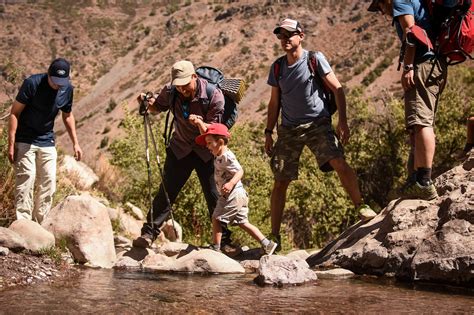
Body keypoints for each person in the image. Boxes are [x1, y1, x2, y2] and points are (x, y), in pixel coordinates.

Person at [264, 18, 377, 250]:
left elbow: (338, 89)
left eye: (289, 34)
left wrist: (342, 121)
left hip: (318, 123)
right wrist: (268, 132)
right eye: (281, 35)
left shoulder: (314, 59)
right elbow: (274, 102)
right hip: (289, 129)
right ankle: (274, 237)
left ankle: (361, 206)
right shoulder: (277, 67)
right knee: (280, 181)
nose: (285, 39)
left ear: (300, 36)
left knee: (338, 162)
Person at [132, 60, 233, 250]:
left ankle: (224, 241)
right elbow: (157, 107)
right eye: (178, 85)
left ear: (194, 77)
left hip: (207, 152)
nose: (182, 89)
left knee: (214, 195)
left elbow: (215, 133)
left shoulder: (214, 96)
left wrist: (200, 124)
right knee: (167, 190)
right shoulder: (171, 92)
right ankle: (149, 233)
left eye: (185, 84)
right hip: (181, 148)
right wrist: (146, 103)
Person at [368, 0, 448, 200]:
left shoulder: (399, 1)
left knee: (421, 122)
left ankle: (423, 182)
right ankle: (415, 178)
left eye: (379, 6)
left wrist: (408, 67)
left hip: (422, 64)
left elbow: (411, 32)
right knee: (416, 124)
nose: (381, 12)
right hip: (433, 64)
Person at [7, 58, 82, 223]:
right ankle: (24, 224)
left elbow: (67, 115)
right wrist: (11, 144)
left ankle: (40, 225)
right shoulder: (32, 83)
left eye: (61, 82)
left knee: (48, 181)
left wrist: (75, 142)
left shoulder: (67, 89)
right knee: (27, 178)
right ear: (48, 74)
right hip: (25, 137)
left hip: (46, 139)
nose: (58, 85)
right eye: (55, 81)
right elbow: (14, 113)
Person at [190, 120, 278, 255]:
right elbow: (208, 136)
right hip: (236, 195)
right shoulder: (218, 153)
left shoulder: (227, 156)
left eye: (209, 143)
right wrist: (199, 124)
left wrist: (230, 184)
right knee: (243, 223)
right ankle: (267, 244)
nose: (207, 146)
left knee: (216, 218)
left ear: (220, 142)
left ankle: (216, 247)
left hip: (234, 194)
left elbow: (240, 171)